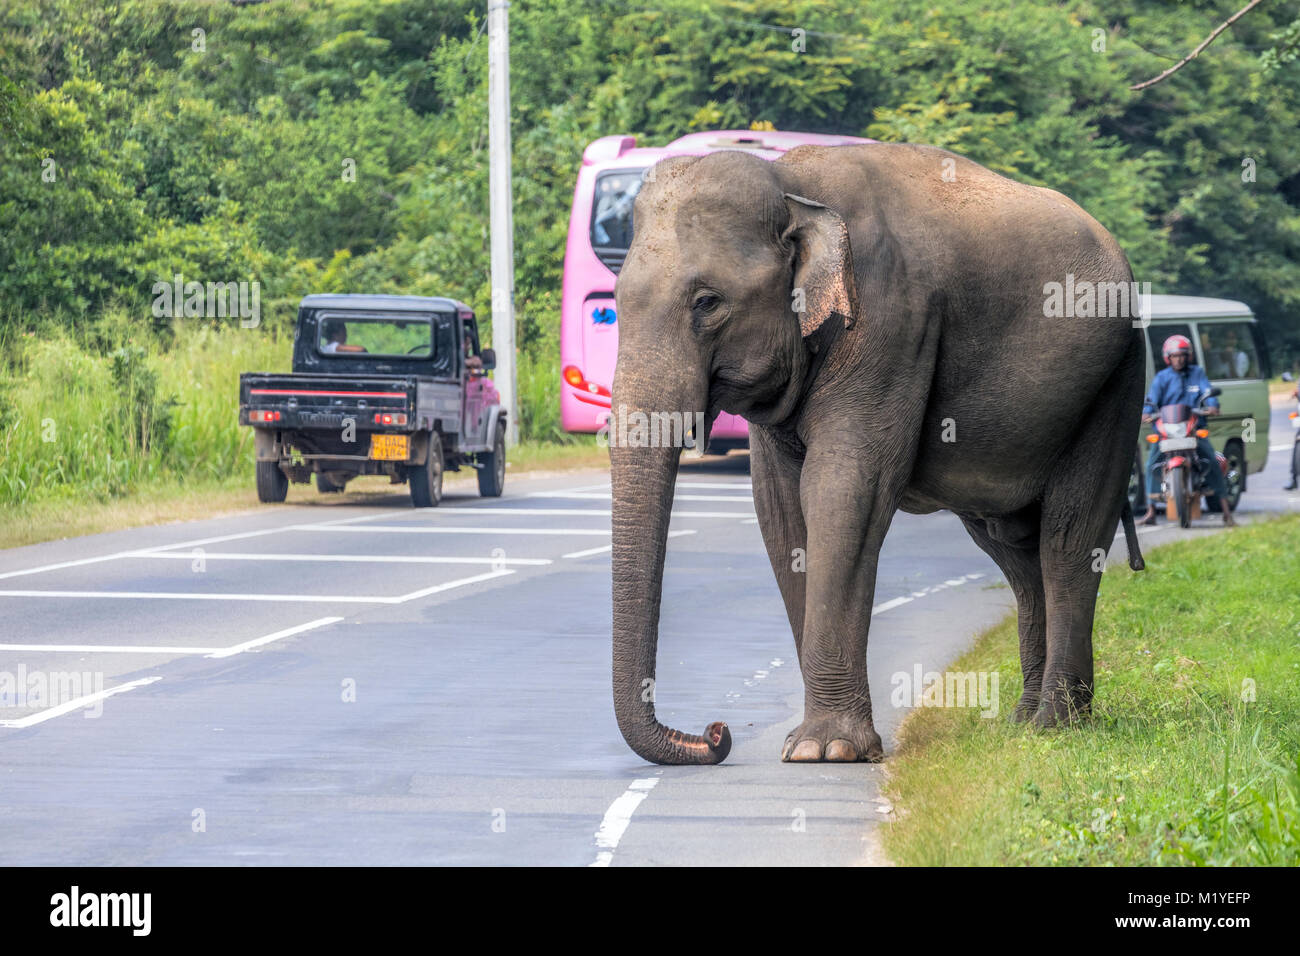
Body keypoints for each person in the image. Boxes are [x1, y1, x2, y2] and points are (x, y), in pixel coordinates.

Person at [1140, 334, 1234, 526]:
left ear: (1188, 356)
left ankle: (1226, 511)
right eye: (1174, 356)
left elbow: (1207, 392)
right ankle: (1151, 511)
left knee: (1212, 460)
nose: (1179, 359)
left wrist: (1212, 405)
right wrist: (1146, 413)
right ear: (1168, 358)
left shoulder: (1197, 373)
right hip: (1167, 430)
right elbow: (1151, 399)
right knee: (1151, 464)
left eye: (1182, 355)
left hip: (1193, 429)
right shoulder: (1162, 378)